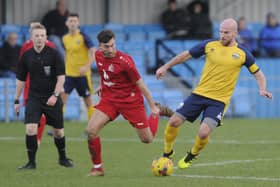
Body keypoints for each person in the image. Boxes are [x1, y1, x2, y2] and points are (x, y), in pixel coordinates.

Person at [156, 18, 273, 169]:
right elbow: (185, 55)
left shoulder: (243, 53)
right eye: (221, 32)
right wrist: (165, 67)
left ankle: (192, 154)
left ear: (235, 33)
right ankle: (167, 152)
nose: (222, 35)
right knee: (173, 122)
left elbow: (259, 74)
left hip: (219, 101)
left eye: (226, 32)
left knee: (203, 133)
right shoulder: (209, 45)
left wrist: (262, 88)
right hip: (199, 94)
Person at [85, 29, 173, 177]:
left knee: (147, 139)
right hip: (110, 100)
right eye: (107, 46)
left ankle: (157, 111)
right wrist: (104, 85)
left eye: (113, 45)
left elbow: (141, 84)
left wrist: (151, 106)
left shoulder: (125, 61)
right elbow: (104, 73)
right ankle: (98, 168)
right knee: (91, 131)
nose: (111, 49)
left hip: (130, 101)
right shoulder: (97, 55)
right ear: (100, 46)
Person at [14, 24, 73, 170]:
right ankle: (31, 163)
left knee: (58, 132)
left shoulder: (54, 54)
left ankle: (63, 158)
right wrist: (16, 99)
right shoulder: (26, 56)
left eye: (42, 35)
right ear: (31, 38)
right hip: (34, 98)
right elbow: (20, 80)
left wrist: (55, 95)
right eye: (36, 36)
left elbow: (61, 78)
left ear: (46, 37)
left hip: (52, 98)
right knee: (30, 129)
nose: (39, 38)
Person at [19, 22, 56, 146]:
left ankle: (37, 140)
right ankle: (33, 139)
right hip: (29, 84)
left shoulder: (50, 46)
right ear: (30, 32)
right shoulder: (25, 46)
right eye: (32, 29)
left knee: (42, 114)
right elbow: (21, 66)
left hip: (45, 85)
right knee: (31, 113)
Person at [61, 13, 95, 120]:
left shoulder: (83, 36)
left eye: (75, 21)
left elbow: (94, 52)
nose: (73, 23)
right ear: (67, 23)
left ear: (78, 23)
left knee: (88, 101)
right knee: (62, 99)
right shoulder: (65, 38)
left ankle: (92, 127)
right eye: (70, 21)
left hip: (82, 75)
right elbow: (67, 54)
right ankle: (57, 128)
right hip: (69, 74)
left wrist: (86, 66)